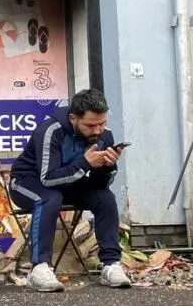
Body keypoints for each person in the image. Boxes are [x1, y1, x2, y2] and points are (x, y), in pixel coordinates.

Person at [10, 88, 131, 292]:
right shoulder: (51, 131)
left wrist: (108, 167)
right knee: (50, 198)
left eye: (102, 124)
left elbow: (100, 183)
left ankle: (111, 264)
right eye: (90, 125)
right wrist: (84, 163)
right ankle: (39, 268)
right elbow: (48, 178)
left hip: (67, 182)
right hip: (27, 182)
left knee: (105, 198)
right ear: (74, 118)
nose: (97, 131)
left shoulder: (104, 136)